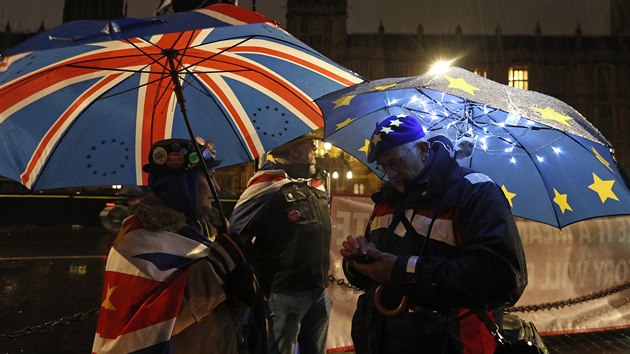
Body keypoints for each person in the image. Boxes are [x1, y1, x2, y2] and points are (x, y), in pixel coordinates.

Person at [340, 114, 528, 354]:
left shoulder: (475, 192)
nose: (390, 174)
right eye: (383, 166)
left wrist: (402, 270)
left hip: (451, 342)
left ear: (423, 149)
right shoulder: (386, 200)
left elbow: (500, 278)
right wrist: (359, 262)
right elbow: (376, 274)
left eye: (396, 163)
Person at [92, 137, 258, 354]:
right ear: (183, 183)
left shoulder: (210, 228)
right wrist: (217, 269)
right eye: (208, 177)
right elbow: (147, 325)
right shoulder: (139, 237)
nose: (217, 187)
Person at [229, 131, 332, 354]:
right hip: (285, 294)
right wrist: (257, 280)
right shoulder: (266, 185)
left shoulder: (315, 184)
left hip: (319, 290)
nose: (315, 149)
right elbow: (237, 233)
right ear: (294, 149)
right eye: (310, 144)